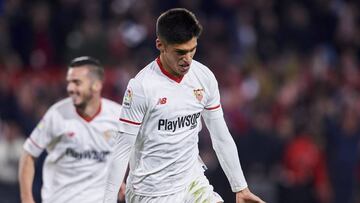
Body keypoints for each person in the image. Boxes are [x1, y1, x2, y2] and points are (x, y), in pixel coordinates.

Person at [104, 8, 265, 203]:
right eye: (180, 52)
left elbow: (220, 136)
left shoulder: (203, 77)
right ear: (160, 45)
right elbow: (122, 148)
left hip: (191, 182)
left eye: (192, 50)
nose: (187, 59)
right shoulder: (141, 87)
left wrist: (240, 187)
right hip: (151, 192)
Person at [18, 56, 128, 203]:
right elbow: (28, 154)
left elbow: (133, 152)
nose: (70, 88)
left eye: (77, 83)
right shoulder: (57, 114)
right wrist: (27, 199)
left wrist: (120, 179)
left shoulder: (117, 116)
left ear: (96, 85)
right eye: (69, 82)